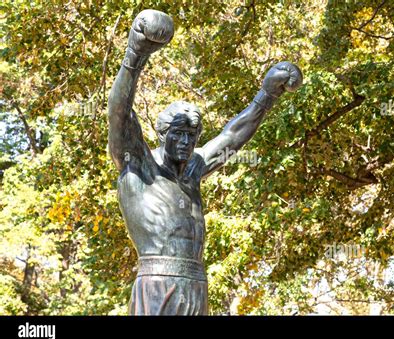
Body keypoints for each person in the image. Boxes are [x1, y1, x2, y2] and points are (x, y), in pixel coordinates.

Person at [108, 9, 303, 315]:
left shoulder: (194, 169)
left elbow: (232, 137)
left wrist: (266, 95)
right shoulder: (138, 165)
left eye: (192, 136)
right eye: (179, 134)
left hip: (196, 283)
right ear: (163, 134)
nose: (186, 143)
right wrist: (136, 52)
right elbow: (120, 112)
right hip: (158, 284)